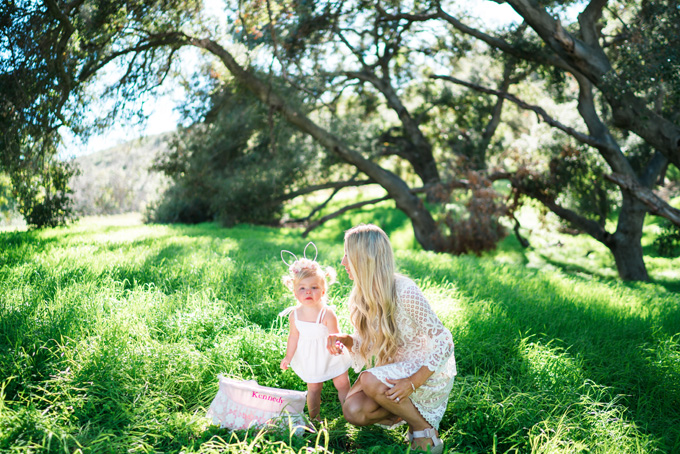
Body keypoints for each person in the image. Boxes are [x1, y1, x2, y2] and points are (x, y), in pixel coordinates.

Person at [326, 224, 457, 454]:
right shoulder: (362, 294)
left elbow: (444, 340)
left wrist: (413, 381)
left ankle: (423, 429)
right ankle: (406, 410)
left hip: (424, 371)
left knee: (368, 380)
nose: (343, 261)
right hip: (395, 373)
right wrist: (346, 340)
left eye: (347, 254)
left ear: (364, 258)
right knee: (353, 410)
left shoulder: (405, 290)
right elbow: (370, 342)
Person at [279, 244, 352, 422]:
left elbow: (335, 335)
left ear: (323, 290)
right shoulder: (295, 314)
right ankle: (315, 419)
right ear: (295, 292)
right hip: (310, 356)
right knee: (313, 388)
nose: (308, 292)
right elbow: (294, 336)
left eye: (314, 287)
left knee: (342, 383)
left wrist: (338, 346)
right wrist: (288, 357)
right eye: (302, 288)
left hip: (331, 352)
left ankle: (350, 413)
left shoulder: (327, 313)